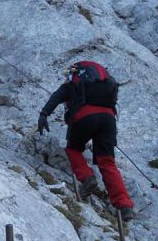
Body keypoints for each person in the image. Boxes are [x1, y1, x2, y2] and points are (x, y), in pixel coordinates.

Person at [37, 60, 136, 221]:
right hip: (108, 119)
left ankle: (87, 177)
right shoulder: (103, 84)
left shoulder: (73, 83)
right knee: (107, 162)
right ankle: (124, 206)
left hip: (84, 117)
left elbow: (56, 97)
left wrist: (44, 114)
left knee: (73, 149)